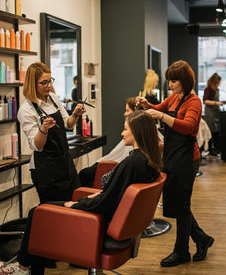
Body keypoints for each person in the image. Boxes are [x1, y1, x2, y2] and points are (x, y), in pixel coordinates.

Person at [0, 111, 162, 275]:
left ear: (137, 132)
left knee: (37, 213)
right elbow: (112, 194)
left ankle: (23, 268)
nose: (122, 133)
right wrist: (88, 198)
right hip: (114, 222)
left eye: (126, 129)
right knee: (42, 211)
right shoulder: (148, 161)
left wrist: (77, 204)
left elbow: (105, 202)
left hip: (98, 224)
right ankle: (24, 267)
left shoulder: (132, 163)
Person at [137, 60, 213, 267]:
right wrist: (147, 106)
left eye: (173, 81)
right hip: (171, 156)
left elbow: (188, 127)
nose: (169, 84)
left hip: (187, 159)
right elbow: (157, 108)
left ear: (185, 81)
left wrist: (160, 115)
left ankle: (182, 251)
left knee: (182, 205)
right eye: (169, 80)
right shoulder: (173, 98)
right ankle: (201, 239)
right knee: (179, 204)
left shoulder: (194, 102)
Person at [17, 62, 86, 203]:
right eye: (44, 82)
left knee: (76, 204)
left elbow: (68, 124)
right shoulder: (26, 110)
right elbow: (37, 146)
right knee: (55, 212)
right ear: (32, 84)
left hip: (65, 163)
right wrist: (43, 129)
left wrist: (76, 114)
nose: (49, 85)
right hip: (46, 170)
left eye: (50, 81)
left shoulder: (53, 99)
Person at [78, 97, 137, 187]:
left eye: (127, 110)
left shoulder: (131, 159)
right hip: (113, 164)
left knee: (84, 173)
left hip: (112, 166)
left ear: (135, 112)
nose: (125, 114)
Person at [203, 73, 226, 156]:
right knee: (210, 131)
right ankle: (210, 148)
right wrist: (217, 103)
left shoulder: (217, 90)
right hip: (210, 113)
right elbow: (205, 101)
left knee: (216, 131)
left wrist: (220, 103)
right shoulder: (208, 89)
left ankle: (216, 148)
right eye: (217, 82)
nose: (218, 84)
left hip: (216, 112)